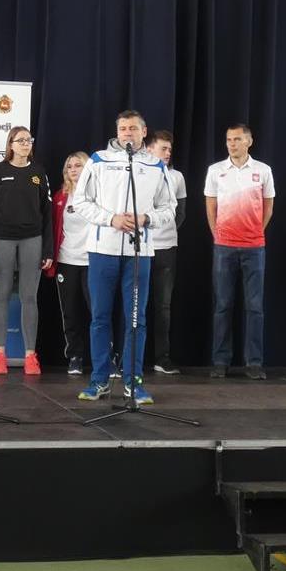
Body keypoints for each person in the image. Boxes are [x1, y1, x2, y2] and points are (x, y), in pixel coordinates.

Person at [73, 111, 176, 404]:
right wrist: (111, 219)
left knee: (135, 319)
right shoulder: (98, 160)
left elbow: (169, 208)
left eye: (132, 128)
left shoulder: (155, 165)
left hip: (138, 253)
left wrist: (146, 218)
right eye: (122, 128)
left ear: (144, 132)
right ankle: (99, 381)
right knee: (100, 317)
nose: (127, 133)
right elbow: (80, 201)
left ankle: (134, 382)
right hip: (102, 250)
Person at [204, 123, 276, 380]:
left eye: (236, 139)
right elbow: (210, 207)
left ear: (249, 141)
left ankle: (254, 362)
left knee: (254, 307)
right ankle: (220, 361)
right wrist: (217, 234)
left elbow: (268, 208)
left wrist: (255, 232)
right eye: (228, 140)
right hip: (224, 247)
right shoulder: (216, 171)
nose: (231, 144)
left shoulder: (263, 170)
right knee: (223, 305)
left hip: (254, 247)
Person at [0, 126, 51, 375]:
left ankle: (30, 356)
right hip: (2, 240)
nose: (25, 143)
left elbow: (47, 214)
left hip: (32, 239)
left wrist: (47, 250)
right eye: (20, 140)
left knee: (29, 297)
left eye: (28, 140)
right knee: (1, 296)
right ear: (10, 144)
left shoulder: (38, 173)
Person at [145, 130, 187, 377]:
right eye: (163, 148)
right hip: (141, 248)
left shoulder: (177, 177)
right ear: (149, 149)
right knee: (135, 305)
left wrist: (166, 231)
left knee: (163, 306)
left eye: (170, 149)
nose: (168, 153)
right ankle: (129, 359)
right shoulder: (139, 173)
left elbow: (180, 212)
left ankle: (162, 358)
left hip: (167, 249)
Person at [50, 151, 93, 378]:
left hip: (92, 261)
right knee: (70, 312)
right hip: (67, 261)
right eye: (70, 166)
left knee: (98, 311)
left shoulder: (98, 195)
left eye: (78, 165)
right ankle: (75, 356)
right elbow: (52, 228)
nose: (73, 170)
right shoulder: (60, 197)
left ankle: (105, 356)